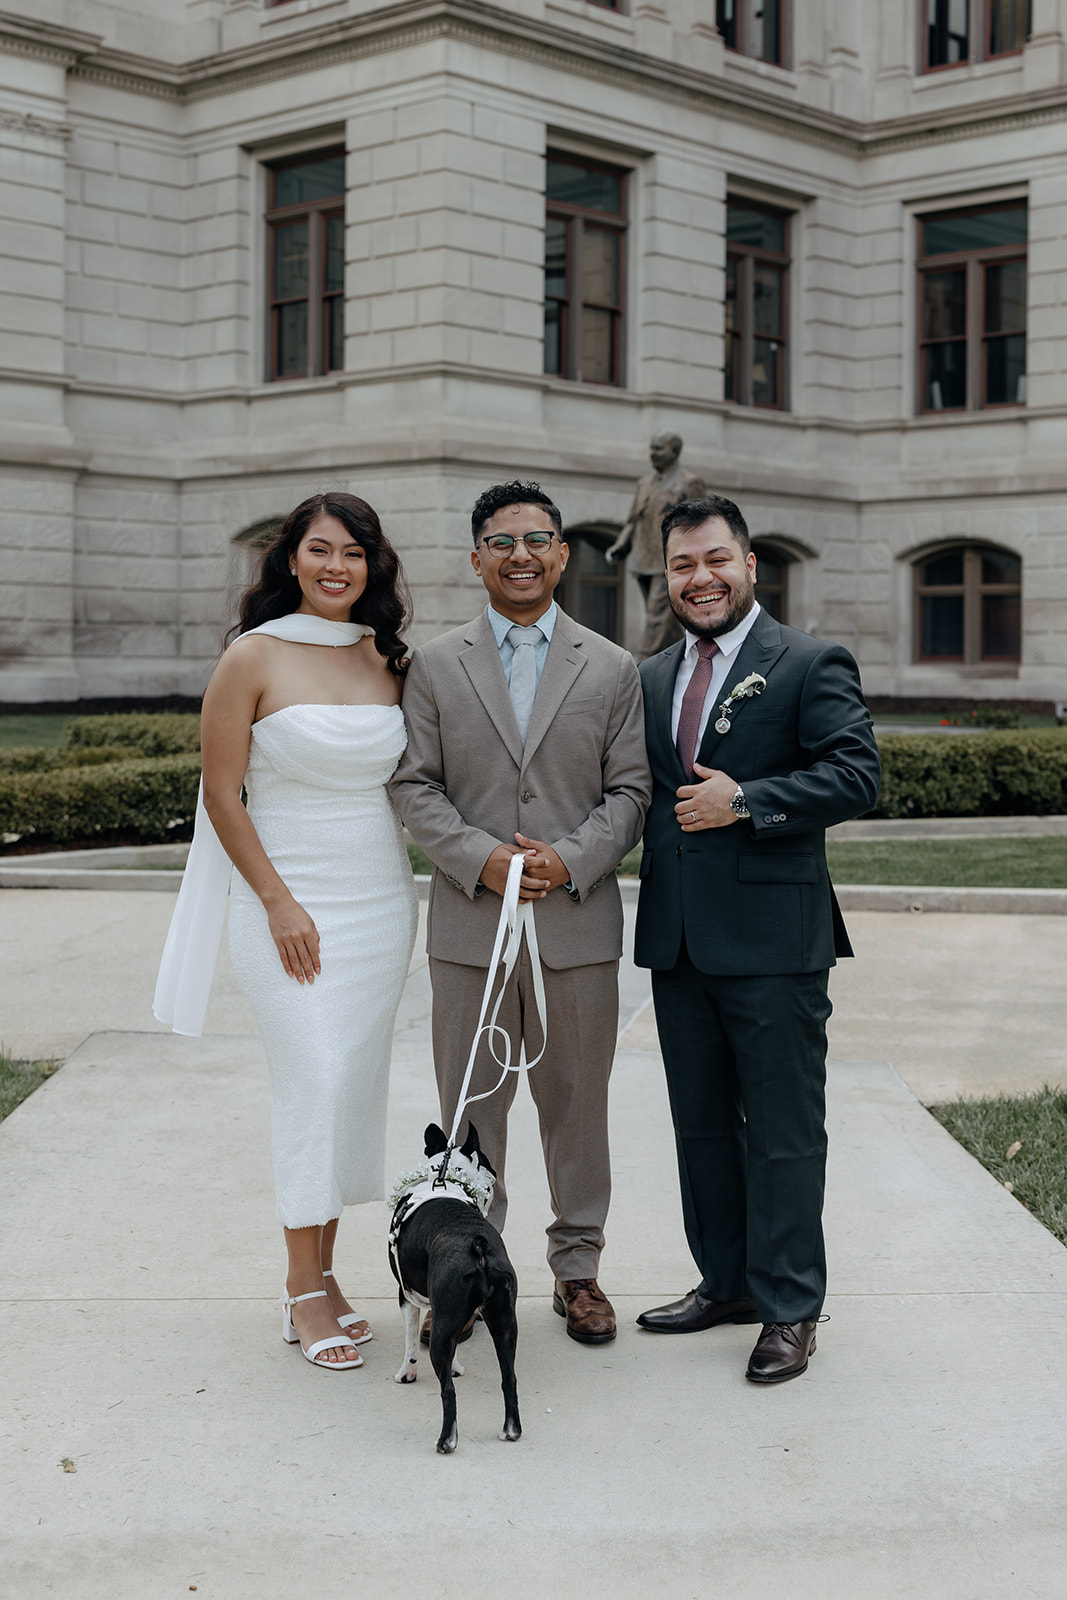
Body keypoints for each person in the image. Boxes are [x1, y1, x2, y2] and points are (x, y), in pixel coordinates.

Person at [154, 492, 418, 1370]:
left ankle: (327, 1273)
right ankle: (301, 1287)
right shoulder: (251, 657)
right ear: (290, 561)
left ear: (372, 566)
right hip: (282, 903)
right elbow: (222, 794)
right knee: (312, 1077)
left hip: (379, 902)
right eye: (318, 550)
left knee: (350, 1086)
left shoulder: (387, 660)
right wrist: (275, 900)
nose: (335, 566)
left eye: (352, 552)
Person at [390, 480, 650, 1345]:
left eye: (538, 539)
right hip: (471, 929)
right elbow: (414, 787)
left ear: (563, 554)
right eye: (502, 542)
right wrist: (484, 860)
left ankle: (578, 1271)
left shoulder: (611, 667)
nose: (521, 556)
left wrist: (565, 859)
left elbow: (630, 793)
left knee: (576, 1108)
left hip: (575, 930)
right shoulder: (433, 664)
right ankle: (469, 1269)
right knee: (471, 1111)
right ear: (476, 558)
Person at [633, 494, 880, 1383]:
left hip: (776, 943)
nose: (699, 579)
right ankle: (726, 1282)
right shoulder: (652, 674)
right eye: (682, 566)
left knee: (781, 1131)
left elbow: (856, 775)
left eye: (714, 561)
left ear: (748, 565)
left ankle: (788, 1306)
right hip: (678, 942)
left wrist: (746, 799)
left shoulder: (808, 662)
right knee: (700, 1128)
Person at [607, 431, 707, 660]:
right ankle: (680, 659)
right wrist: (621, 544)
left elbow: (699, 525)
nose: (653, 454)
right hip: (643, 557)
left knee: (657, 615)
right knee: (667, 618)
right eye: (651, 449)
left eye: (658, 449)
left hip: (672, 560)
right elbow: (633, 519)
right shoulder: (644, 483)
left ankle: (641, 664)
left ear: (675, 452)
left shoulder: (690, 483)